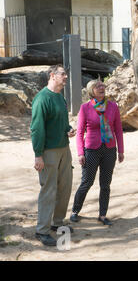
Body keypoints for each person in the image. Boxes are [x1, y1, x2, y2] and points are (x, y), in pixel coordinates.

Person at [31, 64, 76, 246]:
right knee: (49, 190)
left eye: (66, 74)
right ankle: (42, 230)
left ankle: (57, 223)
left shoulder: (60, 97)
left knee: (64, 187)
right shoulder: (42, 99)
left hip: (64, 149)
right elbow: (37, 129)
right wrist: (38, 155)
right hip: (48, 152)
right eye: (63, 74)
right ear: (52, 75)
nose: (66, 77)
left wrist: (69, 129)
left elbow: (62, 122)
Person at [70, 79, 124, 226]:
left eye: (102, 85)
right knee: (87, 182)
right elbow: (80, 132)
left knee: (105, 184)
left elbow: (118, 130)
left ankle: (102, 215)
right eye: (97, 86)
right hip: (91, 150)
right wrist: (80, 153)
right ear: (91, 91)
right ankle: (75, 211)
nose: (102, 87)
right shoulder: (85, 108)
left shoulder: (113, 107)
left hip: (109, 150)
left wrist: (121, 150)